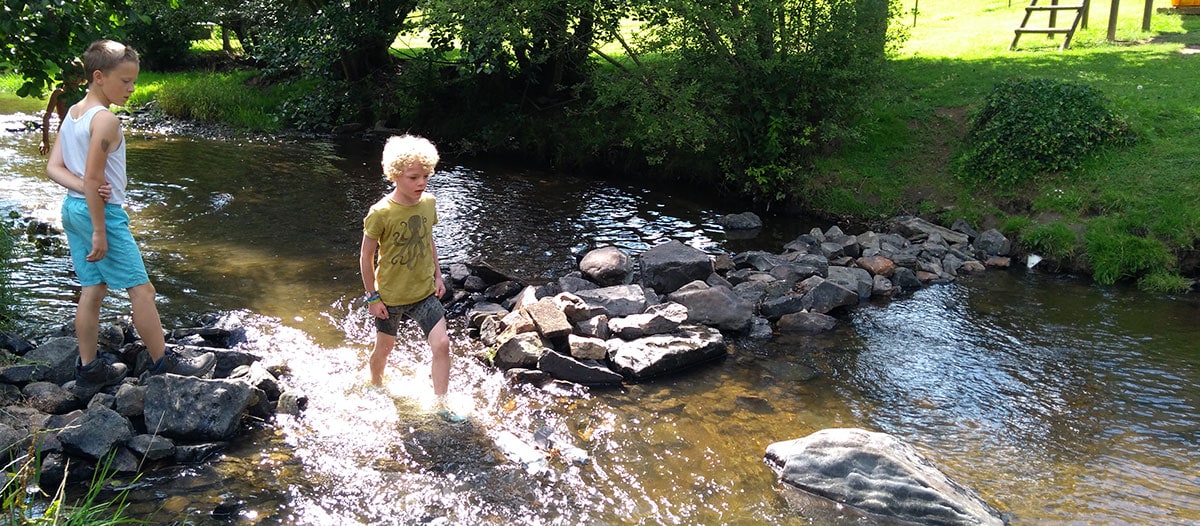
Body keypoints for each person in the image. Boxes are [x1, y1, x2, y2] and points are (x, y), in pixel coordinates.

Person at [45, 40, 215, 400]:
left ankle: (89, 368)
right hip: (98, 213)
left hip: (73, 208)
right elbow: (93, 179)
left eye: (133, 81)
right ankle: (163, 362)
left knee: (93, 288)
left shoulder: (75, 112)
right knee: (143, 289)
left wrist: (85, 189)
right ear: (98, 77)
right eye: (125, 80)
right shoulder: (105, 119)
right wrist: (101, 230)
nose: (131, 88)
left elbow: (54, 168)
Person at [359, 134, 453, 405]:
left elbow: (428, 239)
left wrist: (438, 275)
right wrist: (372, 298)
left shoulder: (428, 204)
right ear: (395, 174)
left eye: (425, 175)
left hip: (424, 292)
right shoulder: (381, 212)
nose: (421, 182)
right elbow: (366, 256)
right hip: (390, 298)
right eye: (413, 177)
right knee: (384, 348)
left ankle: (440, 404)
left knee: (442, 345)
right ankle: (375, 385)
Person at [39, 58, 86, 156]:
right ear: (65, 75)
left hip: (82, 134)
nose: (75, 79)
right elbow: (47, 116)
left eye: (78, 76)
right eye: (72, 75)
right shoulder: (58, 93)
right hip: (64, 132)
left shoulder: (84, 94)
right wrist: (45, 140)